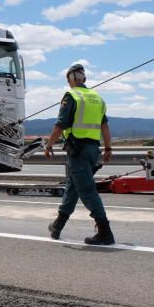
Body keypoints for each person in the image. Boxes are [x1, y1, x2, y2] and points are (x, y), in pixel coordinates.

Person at [44, 64, 115, 245]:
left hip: (78, 150)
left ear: (70, 79)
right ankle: (57, 226)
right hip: (92, 150)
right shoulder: (97, 98)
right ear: (84, 79)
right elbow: (104, 126)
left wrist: (49, 145)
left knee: (86, 190)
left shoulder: (72, 96)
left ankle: (105, 232)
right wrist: (108, 148)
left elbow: (60, 125)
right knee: (73, 187)